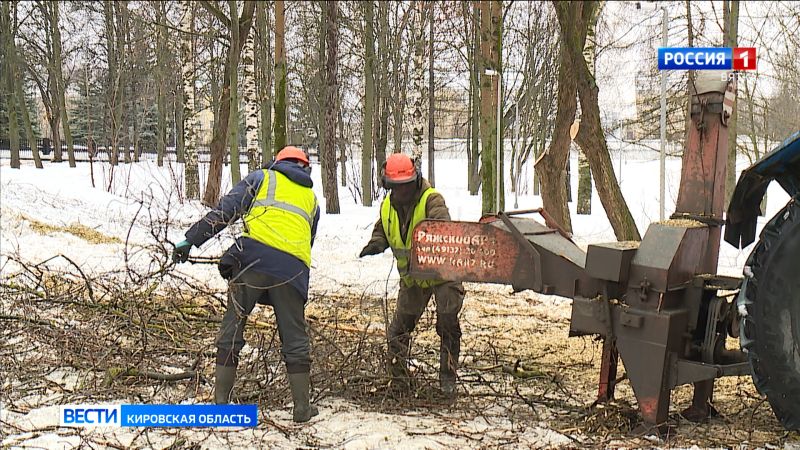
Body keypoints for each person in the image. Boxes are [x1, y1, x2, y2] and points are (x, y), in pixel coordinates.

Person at [173, 146, 321, 423]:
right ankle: (302, 407)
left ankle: (221, 404)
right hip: (292, 272)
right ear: (306, 168)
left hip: (252, 263)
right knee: (295, 339)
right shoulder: (312, 199)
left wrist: (191, 239)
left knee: (233, 325)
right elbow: (307, 240)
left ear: (276, 161)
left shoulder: (263, 178)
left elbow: (225, 211)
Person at [359, 153, 465, 397]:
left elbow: (443, 226)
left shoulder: (432, 200)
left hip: (443, 273)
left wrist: (434, 231)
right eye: (397, 187)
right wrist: (376, 243)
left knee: (447, 322)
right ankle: (398, 379)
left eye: (406, 186)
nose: (402, 192)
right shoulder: (387, 206)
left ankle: (447, 379)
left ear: (415, 180)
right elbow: (382, 229)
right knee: (399, 330)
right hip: (412, 278)